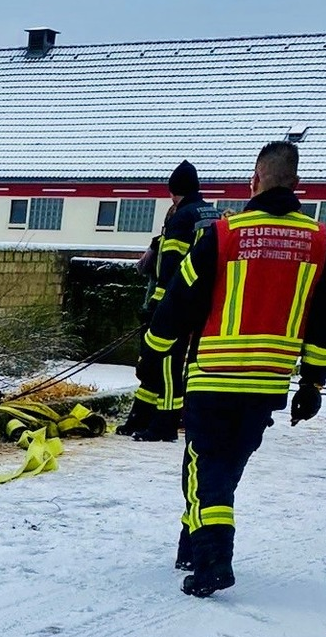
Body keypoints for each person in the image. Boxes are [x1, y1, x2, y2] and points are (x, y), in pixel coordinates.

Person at [139, 141, 326, 597]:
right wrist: (312, 383)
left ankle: (213, 558)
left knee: (202, 466)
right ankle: (192, 544)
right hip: (267, 383)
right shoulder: (320, 242)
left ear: (254, 180)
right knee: (226, 465)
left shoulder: (225, 235)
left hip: (215, 375)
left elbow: (179, 302)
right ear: (297, 184)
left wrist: (152, 352)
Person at [120, 161, 221, 441]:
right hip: (206, 302)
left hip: (178, 302)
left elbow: (172, 266)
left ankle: (163, 424)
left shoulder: (181, 217)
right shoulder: (212, 214)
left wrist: (156, 305)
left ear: (173, 192)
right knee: (168, 363)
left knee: (165, 361)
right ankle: (141, 416)